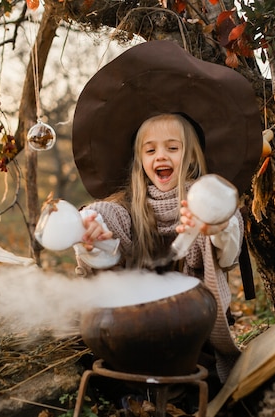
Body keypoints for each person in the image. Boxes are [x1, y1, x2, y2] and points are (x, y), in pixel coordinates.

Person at [69, 40, 264, 385]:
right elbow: (109, 225)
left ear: (189, 156)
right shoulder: (128, 206)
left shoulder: (204, 200)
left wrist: (213, 226)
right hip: (131, 323)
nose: (161, 156)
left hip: (192, 328)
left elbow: (230, 244)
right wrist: (91, 232)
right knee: (99, 219)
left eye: (172, 148)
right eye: (150, 150)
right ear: (140, 160)